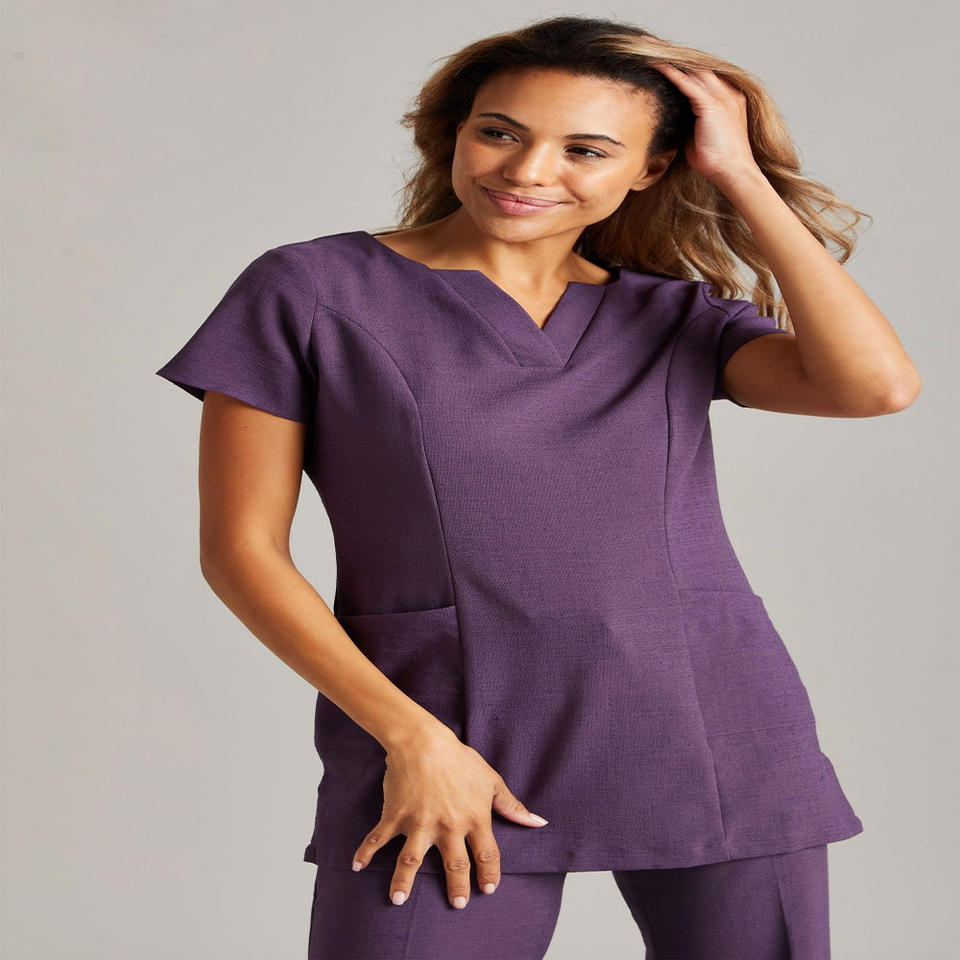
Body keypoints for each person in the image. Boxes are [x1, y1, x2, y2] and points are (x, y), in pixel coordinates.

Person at [155, 15, 921, 960]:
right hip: (443, 734)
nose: (526, 170)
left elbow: (877, 388)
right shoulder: (312, 291)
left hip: (711, 729)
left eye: (585, 149)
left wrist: (740, 176)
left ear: (651, 167)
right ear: (455, 132)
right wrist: (412, 739)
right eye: (499, 131)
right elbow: (241, 552)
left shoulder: (670, 316)